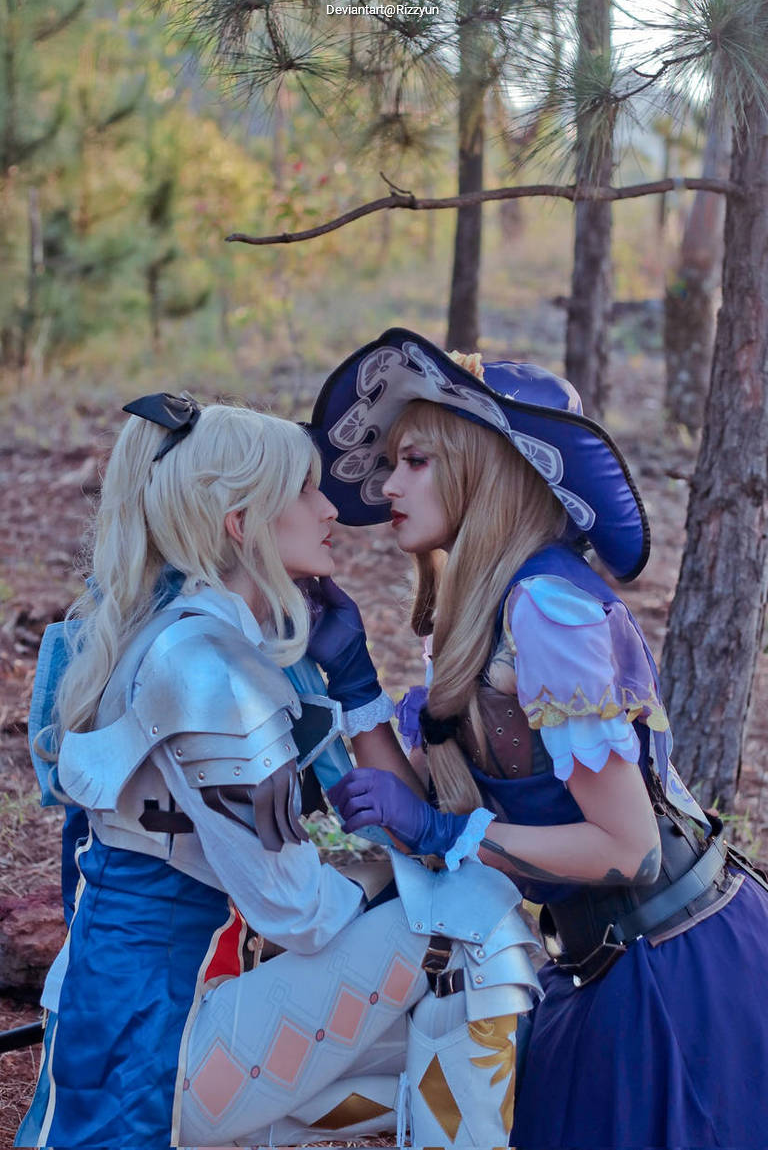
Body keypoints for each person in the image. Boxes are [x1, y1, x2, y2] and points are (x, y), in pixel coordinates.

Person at [18, 391, 540, 1148]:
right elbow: (301, 911)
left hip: (153, 1006)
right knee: (472, 919)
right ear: (242, 524)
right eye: (303, 490)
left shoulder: (197, 640)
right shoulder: (209, 671)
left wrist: (355, 682)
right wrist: (392, 870)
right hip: (160, 1033)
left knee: (460, 1026)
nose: (329, 509)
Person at [314, 327, 768, 1148]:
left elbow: (628, 849)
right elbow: (422, 817)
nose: (389, 484)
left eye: (416, 461)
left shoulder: (545, 611)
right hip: (601, 970)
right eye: (390, 463)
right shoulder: (478, 613)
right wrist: (352, 686)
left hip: (675, 979)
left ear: (480, 471)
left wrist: (447, 832)